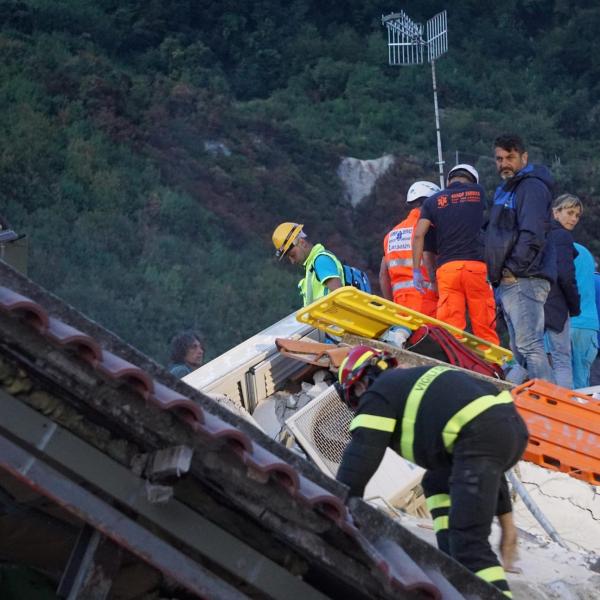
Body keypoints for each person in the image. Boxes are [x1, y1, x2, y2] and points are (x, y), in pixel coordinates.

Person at [336, 345, 527, 597]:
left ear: (359, 385)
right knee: (437, 480)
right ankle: (452, 568)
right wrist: (507, 524)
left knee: (468, 543)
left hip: (479, 439)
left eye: (356, 398)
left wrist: (337, 507)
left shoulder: (378, 394)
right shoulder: (414, 380)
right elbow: (490, 459)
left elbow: (360, 458)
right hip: (511, 431)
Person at [485, 134, 556, 382]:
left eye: (510, 157)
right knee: (520, 351)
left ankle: (549, 406)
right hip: (509, 279)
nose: (504, 163)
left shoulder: (531, 187)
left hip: (524, 277)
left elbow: (532, 232)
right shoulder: (506, 190)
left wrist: (512, 268)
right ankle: (527, 406)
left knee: (529, 347)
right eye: (499, 158)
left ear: (524, 158)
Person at [412, 164, 499, 344]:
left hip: (447, 270)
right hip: (476, 268)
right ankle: (492, 366)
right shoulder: (478, 193)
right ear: (473, 180)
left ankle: (453, 364)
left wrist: (416, 271)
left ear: (448, 180)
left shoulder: (432, 201)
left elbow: (419, 234)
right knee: (484, 325)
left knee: (450, 329)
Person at [379, 181, 440, 317]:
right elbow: (430, 262)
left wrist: (392, 307)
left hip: (400, 308)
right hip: (427, 305)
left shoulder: (391, 235)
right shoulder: (428, 229)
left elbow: (383, 275)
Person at [543, 195, 581, 389]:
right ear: (555, 212)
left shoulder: (539, 232)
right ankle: (565, 410)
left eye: (577, 215)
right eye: (569, 212)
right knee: (562, 359)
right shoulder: (563, 236)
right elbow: (566, 276)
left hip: (532, 300)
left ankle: (506, 391)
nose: (573, 219)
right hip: (556, 302)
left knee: (529, 356)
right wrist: (575, 306)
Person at [272, 222, 342, 306]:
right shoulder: (312, 269)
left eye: (292, 255)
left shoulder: (321, 261)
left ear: (302, 243)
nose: (292, 261)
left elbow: (340, 297)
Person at [569, 233, 599, 388]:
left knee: (559, 377)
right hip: (588, 326)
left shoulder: (554, 250)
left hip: (562, 323)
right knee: (581, 384)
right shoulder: (586, 254)